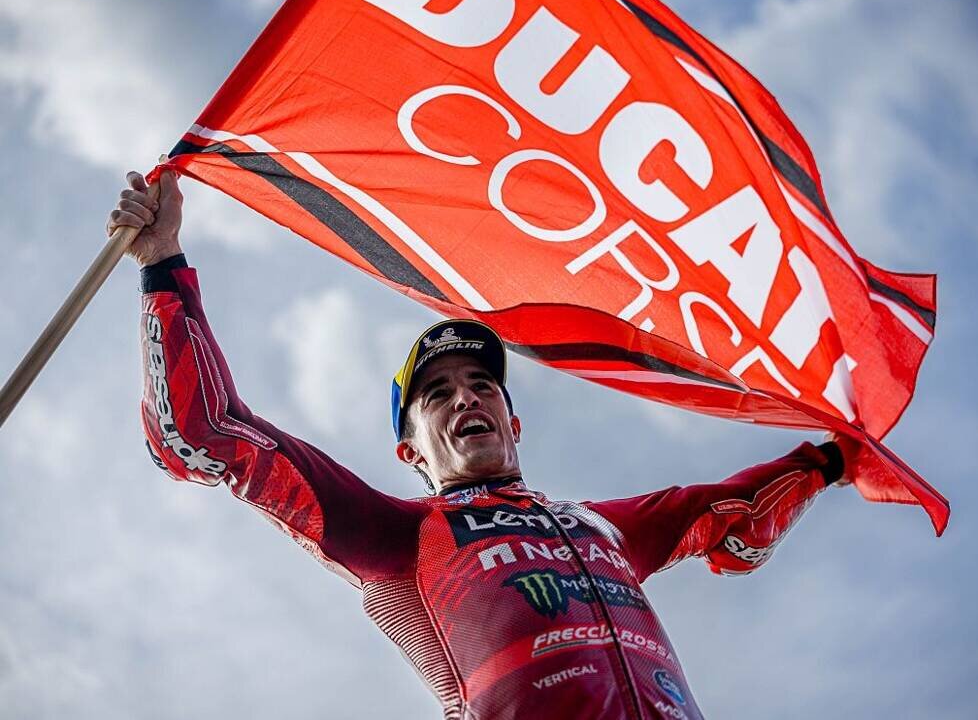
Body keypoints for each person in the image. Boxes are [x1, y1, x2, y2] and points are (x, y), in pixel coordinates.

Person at [112, 170, 855, 720]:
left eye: (481, 384)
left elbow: (731, 509)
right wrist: (163, 262)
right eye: (437, 394)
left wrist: (838, 458)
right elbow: (208, 431)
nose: (466, 397)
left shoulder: (606, 528)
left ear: (513, 422)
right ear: (412, 454)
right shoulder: (397, 535)